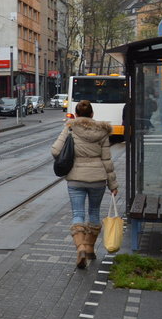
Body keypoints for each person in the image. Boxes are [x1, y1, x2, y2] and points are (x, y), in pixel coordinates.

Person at [51, 99, 119, 269]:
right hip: (98, 179)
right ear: (92, 114)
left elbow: (55, 151)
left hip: (76, 178)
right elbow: (107, 160)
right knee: (94, 212)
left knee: (78, 213)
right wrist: (113, 185)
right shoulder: (102, 131)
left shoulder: (70, 128)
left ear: (76, 114)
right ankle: (89, 249)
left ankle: (80, 247)